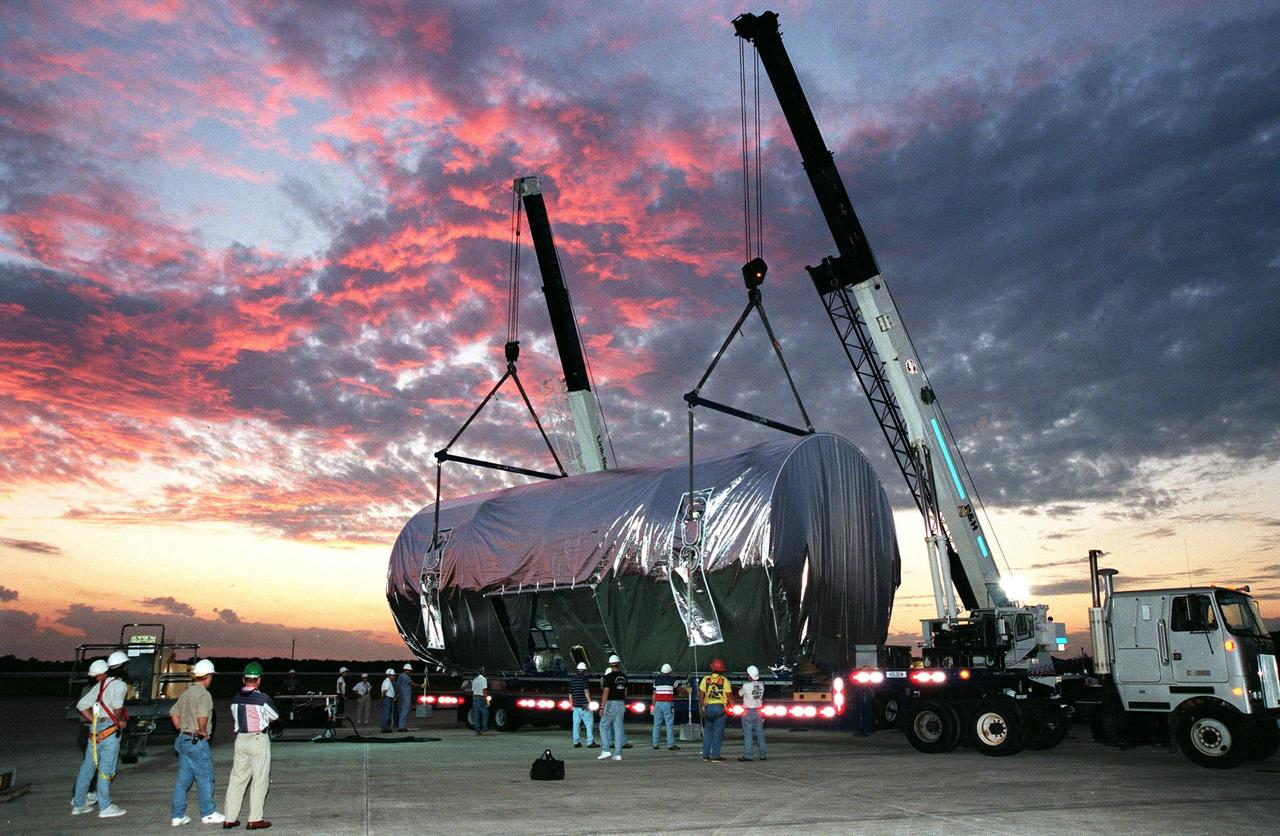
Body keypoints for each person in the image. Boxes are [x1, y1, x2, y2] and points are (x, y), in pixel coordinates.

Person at [71, 650, 130, 818]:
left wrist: (94, 720)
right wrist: (118, 721)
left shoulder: (101, 684)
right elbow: (118, 707)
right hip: (109, 731)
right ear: (122, 667)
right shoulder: (120, 685)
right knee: (106, 768)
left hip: (95, 731)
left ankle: (79, 804)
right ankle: (105, 807)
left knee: (87, 768)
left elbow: (82, 705)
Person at [169, 659, 226, 826]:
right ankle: (208, 813)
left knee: (183, 781)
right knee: (205, 777)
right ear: (207, 677)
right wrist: (202, 731)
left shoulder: (187, 693)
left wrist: (182, 728)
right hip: (196, 741)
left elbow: (173, 712)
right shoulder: (204, 694)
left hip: (183, 739)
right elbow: (203, 715)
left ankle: (177, 816)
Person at [223, 661, 279, 830]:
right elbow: (274, 716)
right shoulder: (262, 698)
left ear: (243, 679)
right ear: (259, 680)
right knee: (259, 779)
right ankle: (255, 818)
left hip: (240, 740)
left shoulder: (235, 699)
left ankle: (229, 818)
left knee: (237, 779)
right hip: (257, 740)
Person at [698, 658, 732, 762]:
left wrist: (702, 707)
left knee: (708, 732)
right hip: (720, 708)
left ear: (712, 668)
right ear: (722, 670)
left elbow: (701, 695)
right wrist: (733, 708)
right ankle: (715, 756)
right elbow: (729, 696)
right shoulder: (724, 681)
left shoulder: (705, 679)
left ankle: (705, 755)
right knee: (718, 733)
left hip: (708, 708)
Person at [596, 654, 627, 762]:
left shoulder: (608, 677)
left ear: (610, 664)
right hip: (621, 703)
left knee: (603, 726)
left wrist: (602, 707)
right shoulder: (624, 677)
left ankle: (606, 750)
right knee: (618, 728)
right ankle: (618, 754)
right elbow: (625, 692)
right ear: (619, 664)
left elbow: (606, 692)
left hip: (610, 704)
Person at [737, 664, 767, 762]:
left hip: (748, 712)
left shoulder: (746, 686)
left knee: (748, 734)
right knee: (760, 733)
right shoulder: (761, 685)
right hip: (758, 711)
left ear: (750, 676)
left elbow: (740, 693)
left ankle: (748, 755)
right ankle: (763, 754)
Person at [651, 662, 680, 751]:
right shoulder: (673, 680)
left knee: (656, 724)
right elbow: (679, 689)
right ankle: (670, 745)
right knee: (669, 724)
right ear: (670, 672)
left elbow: (654, 695)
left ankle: (655, 744)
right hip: (668, 704)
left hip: (658, 704)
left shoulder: (656, 681)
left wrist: (653, 705)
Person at [567, 662, 596, 748]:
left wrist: (571, 704)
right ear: (584, 671)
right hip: (584, 705)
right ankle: (590, 742)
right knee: (589, 723)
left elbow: (570, 694)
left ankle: (576, 742)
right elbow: (586, 691)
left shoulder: (572, 679)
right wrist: (590, 703)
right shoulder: (585, 679)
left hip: (575, 706)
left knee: (576, 724)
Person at [470, 668, 490, 735]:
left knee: (476, 715)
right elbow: (484, 690)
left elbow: (473, 691)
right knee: (485, 714)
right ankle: (484, 729)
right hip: (481, 698)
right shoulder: (484, 679)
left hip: (475, 697)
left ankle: (477, 729)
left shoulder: (474, 680)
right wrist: (487, 699)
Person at [395, 664, 413, 731]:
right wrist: (421, 685)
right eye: (410, 670)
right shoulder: (406, 677)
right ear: (407, 670)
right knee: (404, 711)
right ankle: (401, 727)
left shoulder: (401, 676)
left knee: (401, 711)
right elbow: (412, 683)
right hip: (405, 697)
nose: (411, 672)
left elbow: (398, 686)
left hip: (401, 696)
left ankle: (399, 725)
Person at [379, 669, 396, 733]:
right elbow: (384, 692)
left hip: (389, 699)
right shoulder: (387, 682)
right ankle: (384, 728)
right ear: (389, 675)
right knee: (386, 714)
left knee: (387, 713)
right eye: (393, 675)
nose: (394, 676)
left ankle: (386, 727)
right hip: (387, 699)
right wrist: (381, 700)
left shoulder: (389, 681)